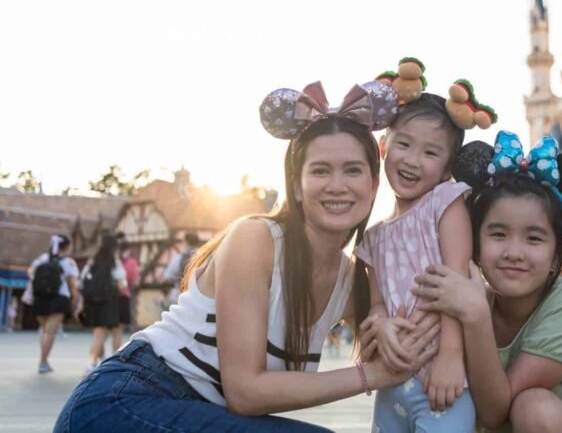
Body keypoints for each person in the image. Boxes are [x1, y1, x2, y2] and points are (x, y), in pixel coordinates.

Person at [54, 80, 438, 433]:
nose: (337, 186)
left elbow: (412, 327)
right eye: (321, 170)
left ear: (373, 185)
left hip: (204, 416)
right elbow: (246, 392)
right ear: (298, 187)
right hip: (124, 401)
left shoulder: (352, 279)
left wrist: (457, 303)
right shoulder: (256, 238)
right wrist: (373, 374)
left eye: (352, 170)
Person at [376, 131, 562, 432]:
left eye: (534, 239)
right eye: (498, 235)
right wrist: (382, 321)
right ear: (475, 244)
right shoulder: (468, 298)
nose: (514, 253)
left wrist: (475, 317)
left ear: (557, 254)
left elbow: (493, 414)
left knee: (534, 408)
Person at [354, 92, 476, 432]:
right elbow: (378, 303)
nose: (413, 160)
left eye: (431, 152)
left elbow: (457, 280)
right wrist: (380, 326)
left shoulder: (445, 203)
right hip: (392, 380)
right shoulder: (374, 237)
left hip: (444, 380)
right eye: (404, 145)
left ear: (447, 166)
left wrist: (451, 355)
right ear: (383, 145)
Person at [28, 234, 80, 374]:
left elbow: (31, 272)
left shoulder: (42, 258)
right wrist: (75, 300)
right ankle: (43, 362)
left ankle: (44, 360)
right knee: (50, 333)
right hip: (58, 299)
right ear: (67, 247)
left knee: (45, 331)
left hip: (40, 298)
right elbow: (73, 284)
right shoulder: (69, 262)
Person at [80, 232, 127, 373]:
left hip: (94, 302)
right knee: (117, 333)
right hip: (111, 302)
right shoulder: (114, 262)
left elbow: (83, 279)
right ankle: (116, 363)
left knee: (98, 334)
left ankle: (91, 362)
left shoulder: (92, 261)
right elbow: (121, 284)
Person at [163, 231, 201, 305]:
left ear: (186, 242)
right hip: (199, 296)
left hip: (181, 295)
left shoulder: (179, 257)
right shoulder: (203, 257)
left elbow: (168, 276)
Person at [118, 242, 141, 332]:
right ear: (128, 250)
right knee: (129, 316)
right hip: (125, 293)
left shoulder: (113, 261)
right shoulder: (131, 263)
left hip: (109, 295)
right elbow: (135, 281)